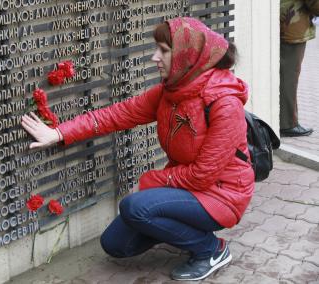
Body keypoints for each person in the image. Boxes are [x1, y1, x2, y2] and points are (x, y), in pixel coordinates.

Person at [21, 17, 254, 281]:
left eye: (164, 51)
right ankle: (183, 231)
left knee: (135, 207)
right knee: (116, 244)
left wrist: (149, 183)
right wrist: (59, 133)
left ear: (187, 55)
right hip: (187, 188)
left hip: (223, 194)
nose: (155, 57)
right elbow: (117, 114)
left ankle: (212, 250)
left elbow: (203, 175)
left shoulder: (225, 104)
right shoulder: (172, 92)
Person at [279, 0, 317, 137]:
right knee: (289, 76)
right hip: (292, 23)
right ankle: (287, 124)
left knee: (284, 74)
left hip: (283, 20)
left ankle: (285, 121)